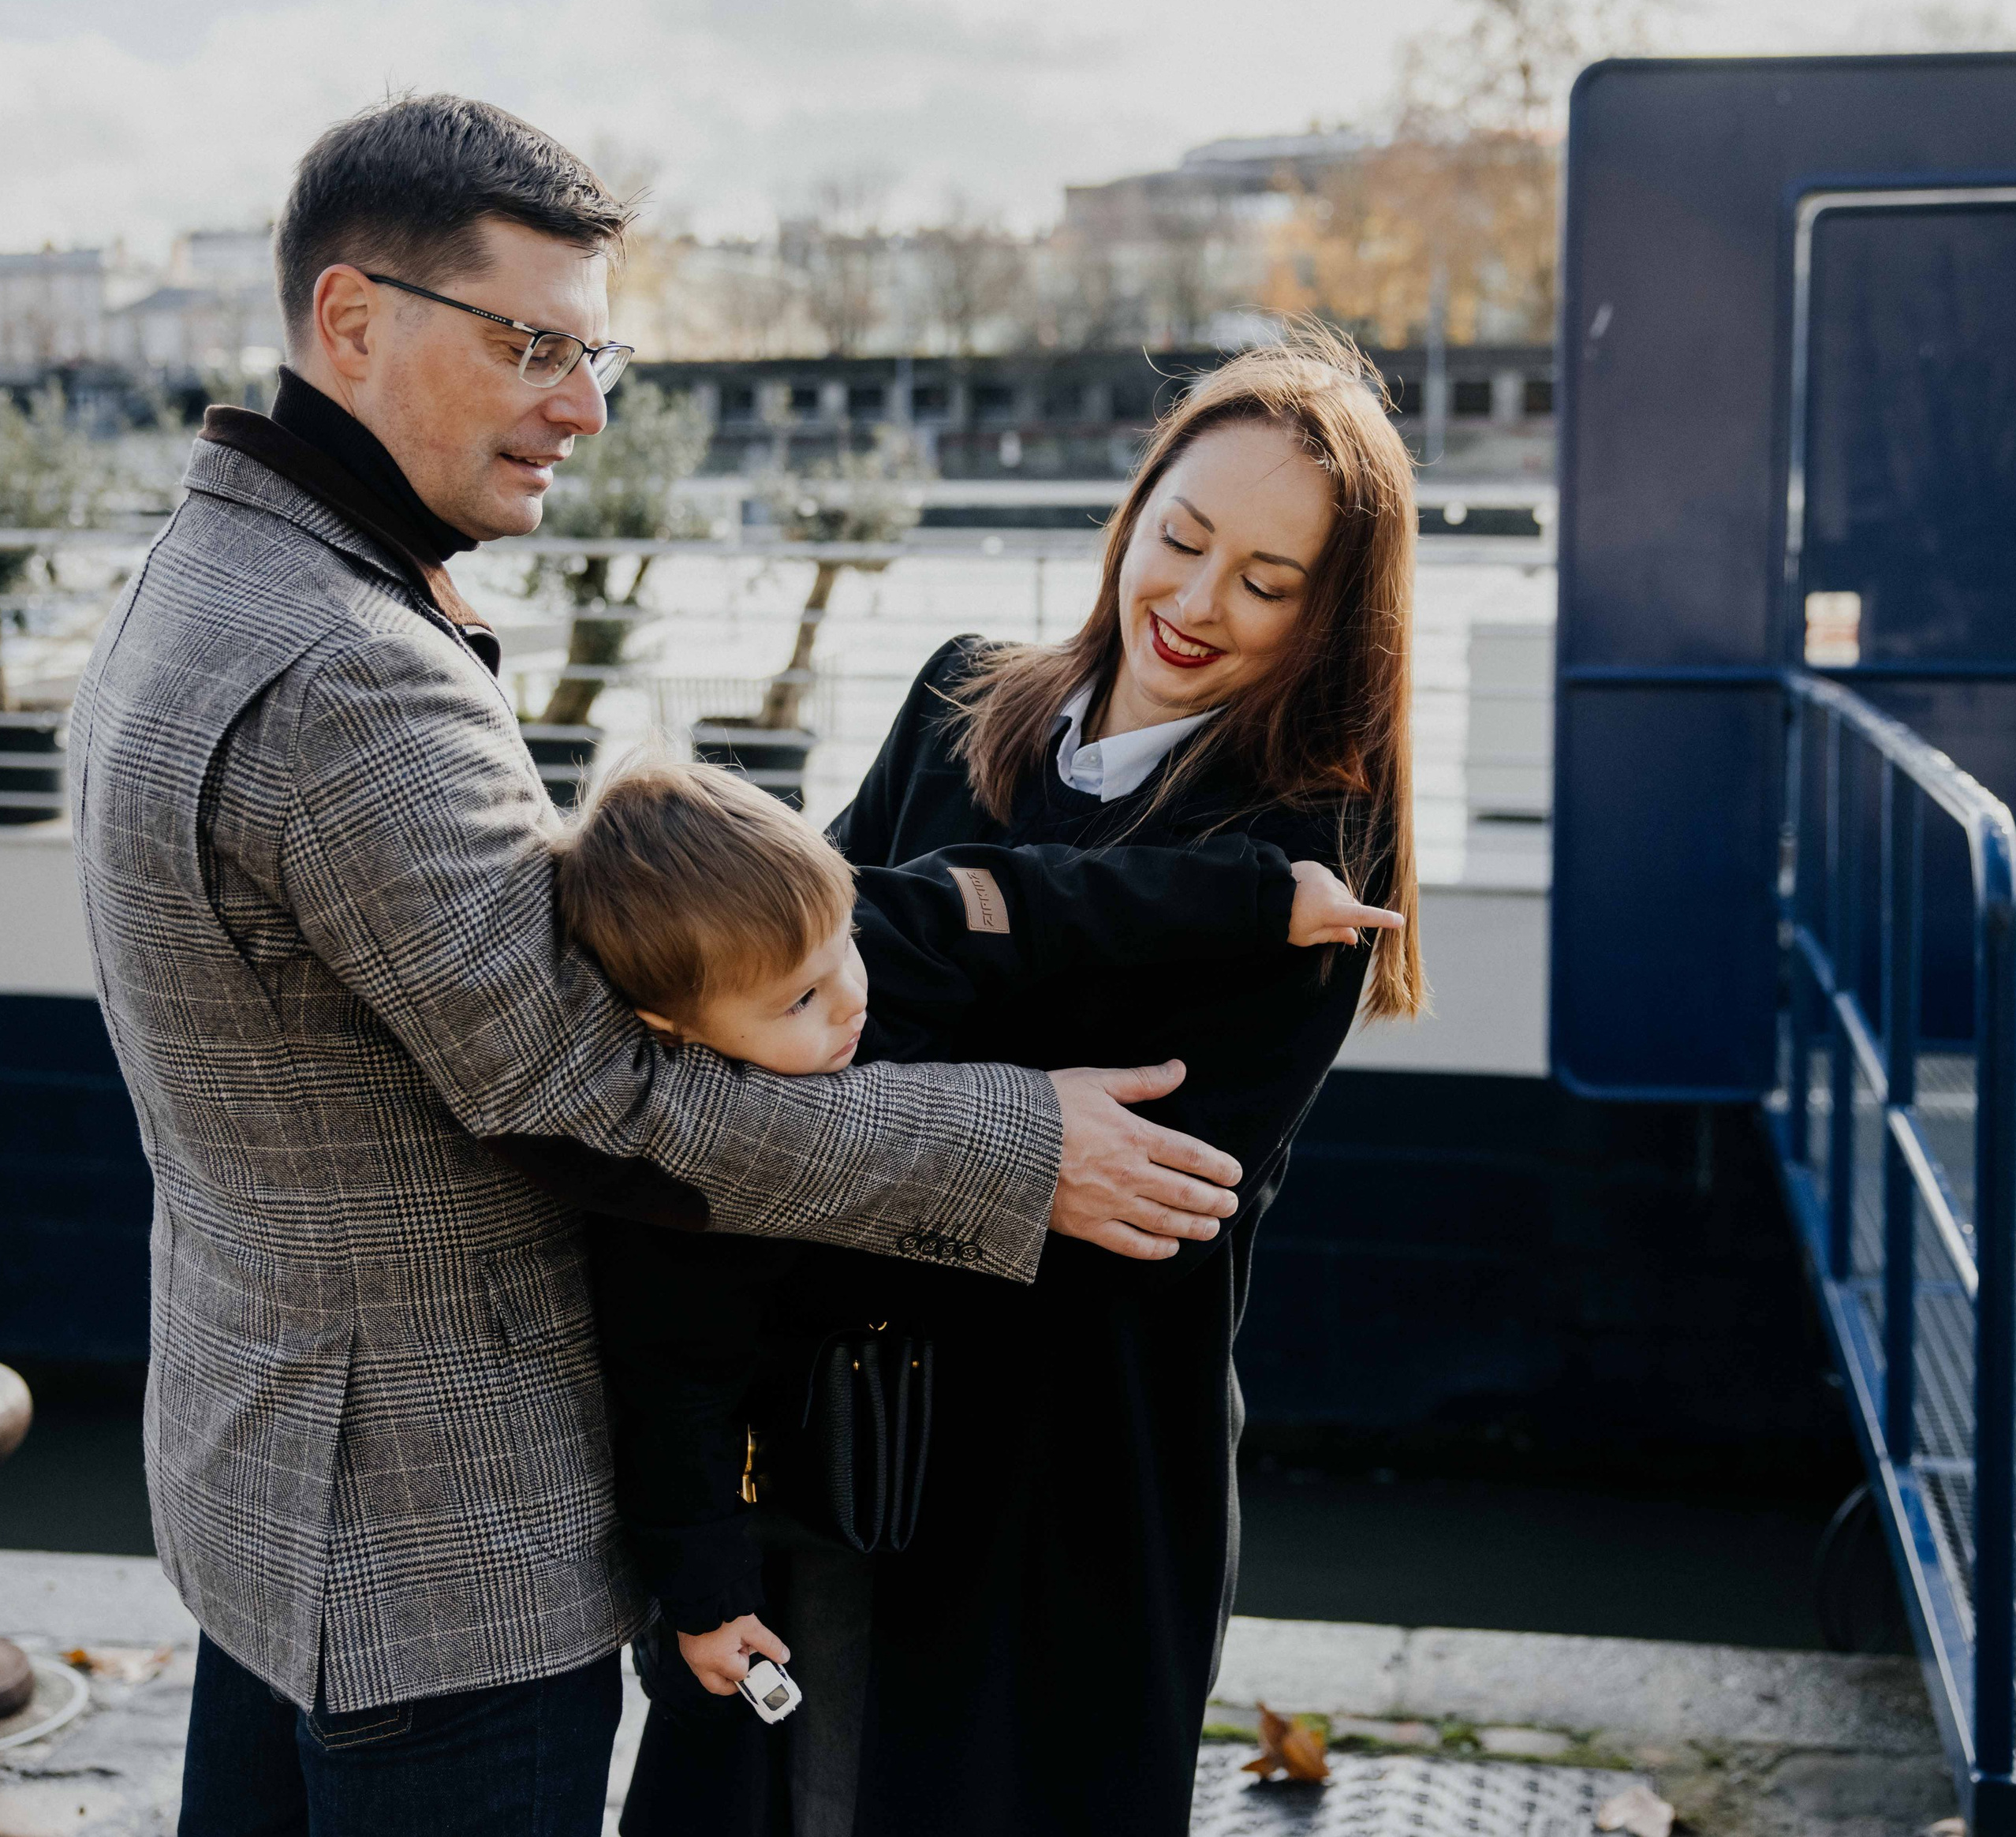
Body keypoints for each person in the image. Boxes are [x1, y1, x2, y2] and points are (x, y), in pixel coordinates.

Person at [66, 93, 1245, 1837]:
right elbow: (596, 1094)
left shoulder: (205, 572)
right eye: (534, 342)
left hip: (273, 1487)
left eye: (595, 347)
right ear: (350, 319)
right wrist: (1013, 1144)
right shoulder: (350, 674)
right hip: (434, 1546)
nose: (584, 403)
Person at [513, 756, 1395, 1831]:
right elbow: (671, 1410)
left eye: (838, 950)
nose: (848, 1001)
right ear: (674, 1032)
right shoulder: (675, 1210)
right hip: (812, 1431)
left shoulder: (888, 925)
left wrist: (1263, 898)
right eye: (798, 1000)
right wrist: (706, 1605)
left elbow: (1044, 894)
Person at [828, 329, 1428, 1835]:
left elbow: (1147, 1183)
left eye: (1268, 584)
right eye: (1182, 538)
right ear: (1135, 510)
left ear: (1332, 620)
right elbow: (792, 968)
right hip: (839, 1407)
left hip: (1077, 1463)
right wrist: (993, 1067)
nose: (1197, 604)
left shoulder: (1315, 852)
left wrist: (884, 1006)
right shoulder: (961, 694)